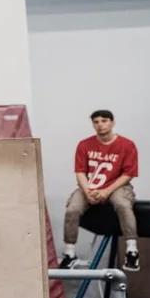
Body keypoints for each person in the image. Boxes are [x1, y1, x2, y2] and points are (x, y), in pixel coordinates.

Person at [59, 110, 141, 272]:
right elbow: (80, 172)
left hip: (117, 186)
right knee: (72, 209)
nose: (100, 125)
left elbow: (128, 174)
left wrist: (106, 191)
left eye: (104, 121)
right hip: (91, 186)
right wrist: (88, 191)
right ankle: (69, 253)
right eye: (96, 122)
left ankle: (132, 250)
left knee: (122, 204)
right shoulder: (84, 144)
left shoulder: (127, 145)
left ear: (112, 122)